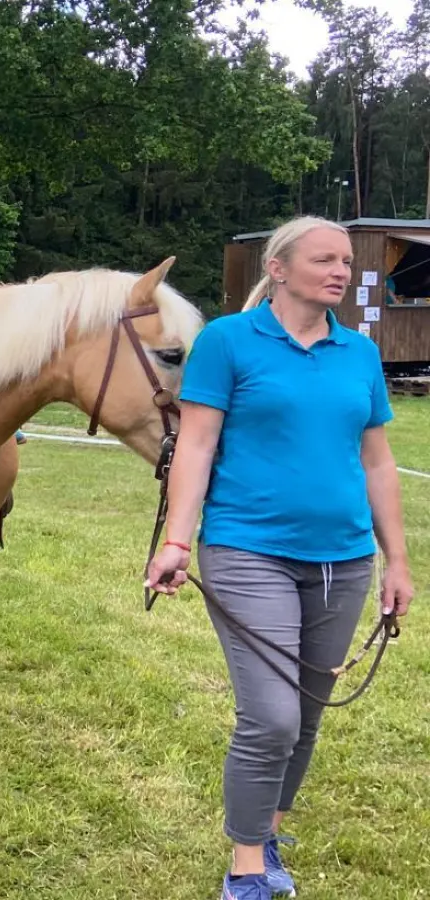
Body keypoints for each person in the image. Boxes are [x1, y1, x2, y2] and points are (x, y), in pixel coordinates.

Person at [143, 216, 413, 900]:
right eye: (325, 258)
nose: (341, 271)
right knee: (273, 716)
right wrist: (177, 540)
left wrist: (398, 562)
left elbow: (377, 462)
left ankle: (267, 833)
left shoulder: (358, 353)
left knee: (309, 713)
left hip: (344, 560)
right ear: (281, 268)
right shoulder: (228, 342)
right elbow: (197, 447)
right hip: (247, 550)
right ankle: (245, 868)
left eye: (347, 262)